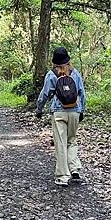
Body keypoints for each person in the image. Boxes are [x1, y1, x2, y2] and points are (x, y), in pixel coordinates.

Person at [35, 47, 86, 187]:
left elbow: (44, 94)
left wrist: (39, 109)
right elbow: (82, 93)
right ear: (68, 60)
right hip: (75, 111)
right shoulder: (75, 73)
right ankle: (74, 169)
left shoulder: (51, 75)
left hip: (59, 111)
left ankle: (63, 176)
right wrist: (82, 111)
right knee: (72, 140)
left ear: (54, 62)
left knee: (61, 143)